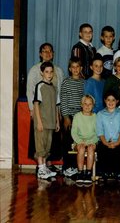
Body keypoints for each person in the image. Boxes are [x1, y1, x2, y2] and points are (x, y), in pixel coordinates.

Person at [26, 43, 64, 171]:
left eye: (50, 51)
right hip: (40, 112)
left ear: (53, 54)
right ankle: (40, 166)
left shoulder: (58, 70)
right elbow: (29, 91)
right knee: (39, 141)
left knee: (50, 140)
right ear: (40, 54)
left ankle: (47, 165)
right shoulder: (35, 70)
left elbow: (59, 92)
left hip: (52, 112)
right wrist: (32, 109)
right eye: (44, 51)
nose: (47, 53)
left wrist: (58, 113)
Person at [33, 61, 60, 179]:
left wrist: (57, 121)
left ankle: (44, 168)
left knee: (47, 146)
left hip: (51, 122)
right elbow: (36, 105)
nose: (49, 74)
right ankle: (41, 169)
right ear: (42, 73)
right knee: (40, 146)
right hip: (42, 122)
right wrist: (38, 121)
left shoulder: (54, 88)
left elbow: (55, 106)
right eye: (46, 72)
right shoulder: (40, 86)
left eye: (51, 72)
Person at [60, 57, 85, 178]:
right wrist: (65, 117)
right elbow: (63, 101)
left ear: (81, 68)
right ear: (70, 69)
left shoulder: (83, 82)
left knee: (77, 142)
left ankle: (75, 166)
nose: (75, 69)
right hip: (69, 116)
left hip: (80, 117)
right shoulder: (66, 82)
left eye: (78, 67)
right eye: (73, 67)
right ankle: (66, 167)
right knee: (67, 143)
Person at [96, 91, 120, 181]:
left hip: (119, 140)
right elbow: (100, 131)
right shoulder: (100, 114)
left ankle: (117, 172)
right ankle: (105, 172)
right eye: (108, 100)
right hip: (104, 141)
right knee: (102, 149)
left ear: (117, 101)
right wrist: (106, 143)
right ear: (105, 100)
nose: (111, 102)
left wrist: (117, 142)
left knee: (119, 149)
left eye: (113, 100)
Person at [71, 95, 97, 186]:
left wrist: (91, 142)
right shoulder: (77, 116)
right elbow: (74, 132)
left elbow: (98, 133)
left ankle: (88, 173)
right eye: (85, 104)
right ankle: (80, 172)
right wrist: (80, 141)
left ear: (93, 105)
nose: (87, 106)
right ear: (81, 105)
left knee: (90, 149)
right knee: (81, 148)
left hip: (92, 140)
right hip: (78, 141)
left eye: (90, 104)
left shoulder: (95, 117)